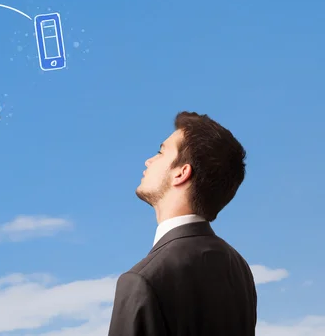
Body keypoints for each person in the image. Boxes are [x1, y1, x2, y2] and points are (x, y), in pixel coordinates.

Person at [108, 111, 257, 336]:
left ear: (181, 173)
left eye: (160, 152)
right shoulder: (239, 268)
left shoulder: (141, 280)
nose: (149, 160)